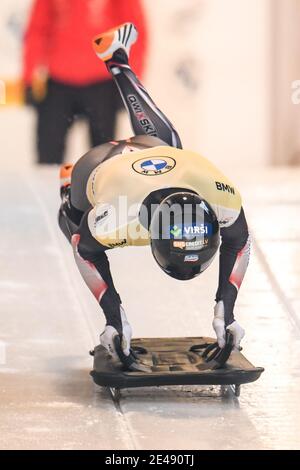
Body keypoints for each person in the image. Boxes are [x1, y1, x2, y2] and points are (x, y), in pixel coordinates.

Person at [58, 23, 249, 370]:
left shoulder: (222, 195)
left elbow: (239, 239)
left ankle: (117, 60)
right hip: (98, 165)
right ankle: (68, 182)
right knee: (72, 220)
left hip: (155, 154)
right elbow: (83, 250)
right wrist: (114, 316)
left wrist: (226, 307)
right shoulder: (114, 216)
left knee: (169, 143)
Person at [22, 0, 147, 164]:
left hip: (102, 85)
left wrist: (129, 85)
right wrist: (29, 78)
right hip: (59, 84)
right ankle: (46, 189)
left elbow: (134, 31)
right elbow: (38, 28)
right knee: (48, 157)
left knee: (104, 162)